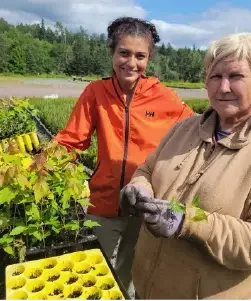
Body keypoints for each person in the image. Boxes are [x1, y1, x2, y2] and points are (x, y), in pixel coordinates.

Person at [55, 16, 194, 298]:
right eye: (124, 53)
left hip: (143, 204)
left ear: (149, 59)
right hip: (103, 202)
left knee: (130, 272)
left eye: (140, 56)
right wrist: (40, 166)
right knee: (94, 270)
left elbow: (196, 129)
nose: (131, 63)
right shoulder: (96, 92)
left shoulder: (163, 97)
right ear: (112, 52)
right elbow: (72, 140)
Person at [120, 32, 251, 300]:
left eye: (236, 76)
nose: (223, 87)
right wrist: (139, 187)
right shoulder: (184, 128)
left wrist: (188, 222)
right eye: (215, 76)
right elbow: (147, 169)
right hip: (147, 287)